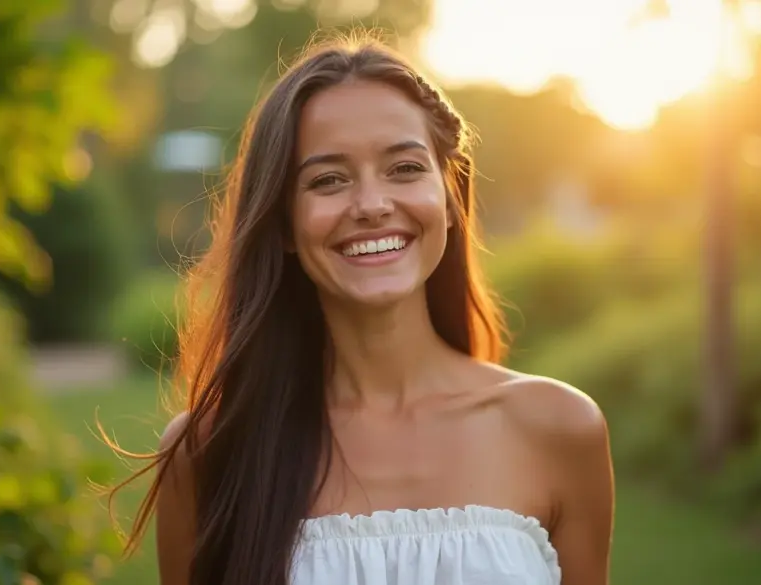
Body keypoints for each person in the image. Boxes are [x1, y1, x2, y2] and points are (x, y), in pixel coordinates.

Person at [115, 32, 614, 585]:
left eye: (405, 168)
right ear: (283, 223)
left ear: (450, 196)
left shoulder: (558, 428)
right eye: (328, 180)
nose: (373, 205)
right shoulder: (211, 451)